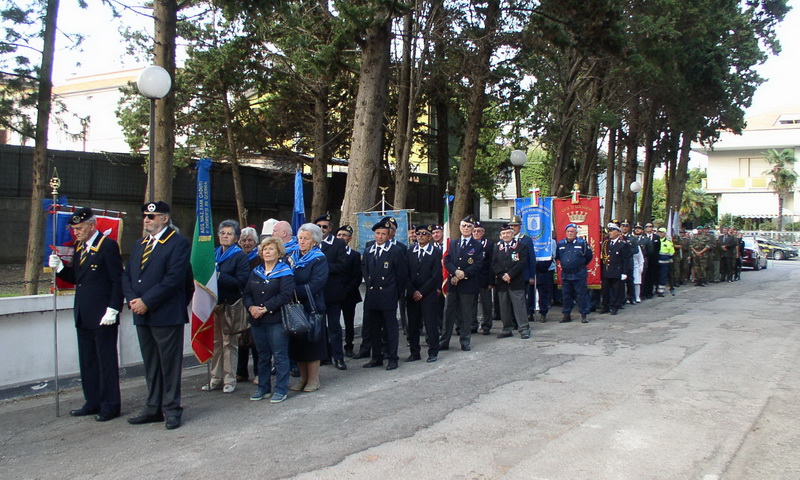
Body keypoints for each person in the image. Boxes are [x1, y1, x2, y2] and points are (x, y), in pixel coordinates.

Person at [122, 201, 192, 430]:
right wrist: (133, 299)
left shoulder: (177, 243)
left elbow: (173, 279)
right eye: (145, 216)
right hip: (142, 313)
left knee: (169, 365)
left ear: (164, 218)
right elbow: (129, 275)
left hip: (166, 313)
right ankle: (153, 407)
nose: (146, 220)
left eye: (152, 217)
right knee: (151, 363)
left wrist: (147, 301)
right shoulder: (140, 244)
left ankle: (172, 409)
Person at [49, 207, 123, 422]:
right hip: (83, 312)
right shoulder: (81, 248)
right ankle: (93, 401)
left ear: (92, 225)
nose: (76, 232)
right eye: (74, 229)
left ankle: (110, 405)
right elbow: (78, 277)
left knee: (105, 361)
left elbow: (117, 280)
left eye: (80, 228)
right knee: (88, 360)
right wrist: (61, 268)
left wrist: (113, 308)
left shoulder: (107, 246)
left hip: (103, 314)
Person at [243, 237, 295, 403]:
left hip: (276, 320)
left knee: (280, 355)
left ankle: (280, 389)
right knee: (262, 355)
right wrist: (251, 308)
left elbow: (285, 295)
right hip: (257, 321)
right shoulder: (256, 271)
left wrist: (265, 308)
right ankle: (263, 388)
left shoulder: (285, 271)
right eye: (265, 249)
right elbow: (247, 294)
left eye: (271, 249)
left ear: (278, 252)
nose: (267, 252)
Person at [202, 220, 250, 393]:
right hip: (212, 304)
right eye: (222, 233)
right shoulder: (213, 253)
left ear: (236, 237)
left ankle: (230, 378)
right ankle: (216, 378)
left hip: (230, 305)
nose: (225, 236)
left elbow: (241, 282)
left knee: (229, 343)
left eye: (229, 234)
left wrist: (220, 275)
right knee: (215, 343)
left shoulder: (240, 256)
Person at [286, 223, 329, 391]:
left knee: (311, 343)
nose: (302, 241)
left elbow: (316, 284)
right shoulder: (291, 256)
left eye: (306, 238)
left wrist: (292, 291)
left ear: (315, 240)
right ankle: (303, 379)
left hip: (312, 306)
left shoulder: (319, 258)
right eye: (300, 238)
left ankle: (313, 380)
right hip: (293, 306)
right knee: (297, 343)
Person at [361, 218, 407, 370]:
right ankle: (376, 357)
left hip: (388, 294)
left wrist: (396, 293)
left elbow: (401, 275)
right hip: (373, 295)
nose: (380, 236)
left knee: (390, 327)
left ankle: (392, 357)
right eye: (377, 233)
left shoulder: (395, 251)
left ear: (389, 236)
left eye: (383, 234)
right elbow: (366, 271)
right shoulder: (369, 251)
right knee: (374, 327)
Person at [441, 215, 483, 351]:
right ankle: (444, 340)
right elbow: (447, 260)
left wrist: (462, 274)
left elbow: (478, 264)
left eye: (469, 226)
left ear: (472, 228)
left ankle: (465, 340)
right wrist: (454, 272)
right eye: (464, 225)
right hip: (453, 284)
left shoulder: (477, 245)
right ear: (460, 227)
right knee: (448, 313)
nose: (466, 228)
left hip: (467, 284)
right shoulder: (453, 243)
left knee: (466, 314)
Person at [313, 214, 349, 371]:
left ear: (330, 228)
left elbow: (343, 266)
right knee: (319, 327)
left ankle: (338, 357)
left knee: (334, 327)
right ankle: (323, 356)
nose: (322, 230)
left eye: (325, 227)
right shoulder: (312, 243)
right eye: (319, 227)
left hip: (332, 292)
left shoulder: (338, 244)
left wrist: (324, 267)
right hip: (316, 293)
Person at [405, 224, 443, 362]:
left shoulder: (435, 252)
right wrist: (413, 291)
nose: (420, 236)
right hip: (412, 294)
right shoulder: (410, 251)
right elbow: (406, 273)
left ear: (430, 236)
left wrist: (421, 292)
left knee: (430, 324)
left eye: (424, 233)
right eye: (418, 233)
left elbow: (436, 275)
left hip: (428, 294)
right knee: (413, 325)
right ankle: (414, 352)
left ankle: (433, 351)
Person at [492, 223, 531, 338]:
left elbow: (522, 263)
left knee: (520, 307)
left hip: (516, 282)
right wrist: (502, 275)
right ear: (500, 236)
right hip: (502, 282)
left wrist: (510, 275)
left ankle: (524, 329)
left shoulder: (521, 246)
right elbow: (493, 264)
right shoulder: (497, 247)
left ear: (513, 234)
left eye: (508, 233)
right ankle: (506, 329)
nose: (506, 235)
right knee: (504, 308)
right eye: (503, 233)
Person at [236, 226, 260, 385]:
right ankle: (241, 371)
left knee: (256, 340)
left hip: (255, 301)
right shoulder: (236, 257)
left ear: (255, 242)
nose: (247, 243)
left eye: (250, 240)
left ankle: (259, 372)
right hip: (238, 302)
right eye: (244, 240)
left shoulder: (259, 258)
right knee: (241, 338)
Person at [555, 223, 593, 323]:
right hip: (566, 274)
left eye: (572, 231)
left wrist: (578, 264)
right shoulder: (561, 243)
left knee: (581, 295)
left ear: (576, 232)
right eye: (568, 231)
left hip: (579, 273)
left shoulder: (582, 243)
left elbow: (588, 256)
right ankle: (566, 315)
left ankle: (584, 315)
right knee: (566, 295)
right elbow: (558, 257)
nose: (570, 233)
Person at [336, 225, 362, 358]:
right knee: (334, 323)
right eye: (339, 235)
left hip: (348, 295)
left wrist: (346, 290)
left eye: (344, 235)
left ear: (350, 238)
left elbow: (357, 276)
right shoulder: (330, 253)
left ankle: (349, 345)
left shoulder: (354, 255)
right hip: (333, 295)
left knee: (348, 322)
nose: (341, 237)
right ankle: (334, 348)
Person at [508, 215, 536, 323]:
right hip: (510, 275)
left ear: (520, 227)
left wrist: (531, 275)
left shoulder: (526, 240)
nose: (513, 228)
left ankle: (524, 318)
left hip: (523, 274)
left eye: (515, 226)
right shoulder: (506, 239)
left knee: (521, 299)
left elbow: (531, 259)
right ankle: (512, 319)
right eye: (511, 226)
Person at [599, 223, 632, 316]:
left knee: (616, 290)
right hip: (607, 270)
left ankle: (615, 306)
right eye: (609, 231)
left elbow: (626, 260)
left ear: (618, 232)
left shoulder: (623, 245)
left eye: (612, 231)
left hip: (617, 271)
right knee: (605, 290)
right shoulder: (606, 243)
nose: (610, 233)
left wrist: (625, 272)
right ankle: (605, 306)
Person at [472, 221, 494, 334]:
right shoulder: (469, 244)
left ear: (483, 232)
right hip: (471, 279)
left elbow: (491, 264)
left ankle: (486, 325)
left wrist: (491, 281)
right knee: (472, 303)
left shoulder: (489, 245)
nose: (476, 233)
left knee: (486, 304)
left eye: (478, 231)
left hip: (485, 279)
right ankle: (473, 325)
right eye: (474, 231)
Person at [655, 227, 675, 296]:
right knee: (655, 276)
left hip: (664, 262)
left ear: (665, 233)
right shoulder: (655, 240)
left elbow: (671, 252)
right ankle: (655, 289)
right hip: (655, 262)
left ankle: (661, 290)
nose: (660, 233)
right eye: (659, 232)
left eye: (662, 232)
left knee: (662, 276)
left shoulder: (668, 242)